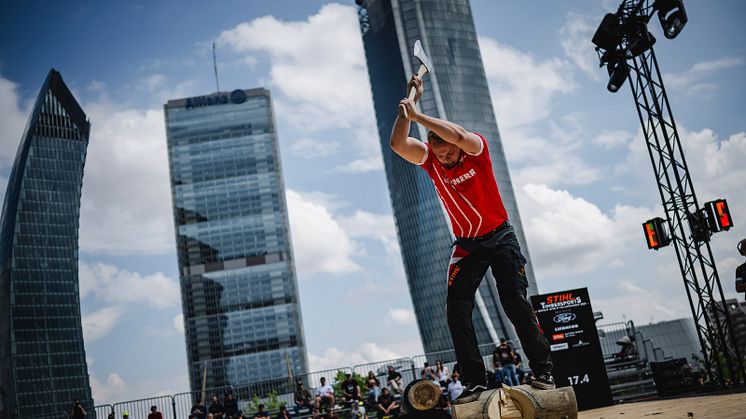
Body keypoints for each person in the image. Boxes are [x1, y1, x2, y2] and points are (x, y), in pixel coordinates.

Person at [390, 74, 554, 403]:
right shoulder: (431, 162)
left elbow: (460, 135)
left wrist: (419, 116)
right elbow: (398, 145)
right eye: (442, 154)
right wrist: (406, 113)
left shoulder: (475, 150)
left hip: (500, 238)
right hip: (467, 246)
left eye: (451, 153)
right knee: (457, 312)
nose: (448, 158)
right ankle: (475, 381)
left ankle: (543, 369)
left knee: (514, 302)